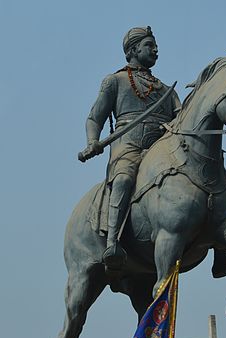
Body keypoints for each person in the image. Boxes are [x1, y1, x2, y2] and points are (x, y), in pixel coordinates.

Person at [85, 26, 181, 269]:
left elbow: (182, 119)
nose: (156, 49)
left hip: (161, 147)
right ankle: (112, 242)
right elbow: (94, 118)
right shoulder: (115, 81)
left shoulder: (167, 90)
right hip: (128, 144)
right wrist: (92, 142)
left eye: (155, 45)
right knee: (124, 179)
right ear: (133, 50)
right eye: (150, 44)